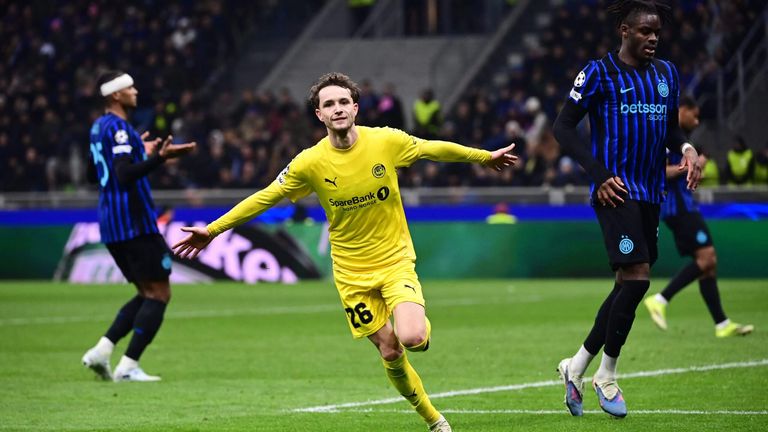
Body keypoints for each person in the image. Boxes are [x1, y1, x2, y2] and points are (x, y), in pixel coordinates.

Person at [172, 72, 517, 431]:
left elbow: (432, 148)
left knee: (412, 338)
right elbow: (265, 197)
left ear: (355, 107)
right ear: (319, 115)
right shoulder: (309, 163)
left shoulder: (385, 140)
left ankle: (416, 329)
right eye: (328, 104)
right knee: (390, 351)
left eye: (342, 102)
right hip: (351, 275)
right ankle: (434, 420)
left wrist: (483, 157)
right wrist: (212, 230)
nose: (336, 109)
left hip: (394, 260)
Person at [551, 0, 701, 418]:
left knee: (627, 283)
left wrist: (687, 149)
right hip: (615, 191)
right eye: (644, 31)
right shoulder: (597, 73)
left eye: (657, 32)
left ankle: (576, 366)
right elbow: (563, 127)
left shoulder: (667, 74)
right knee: (637, 280)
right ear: (624, 31)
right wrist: (599, 174)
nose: (653, 37)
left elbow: (671, 130)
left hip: (653, 192)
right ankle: (607, 374)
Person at [81, 70, 196, 382]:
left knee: (147, 291)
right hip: (134, 222)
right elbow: (122, 175)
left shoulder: (99, 127)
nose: (135, 90)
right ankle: (128, 366)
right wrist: (158, 158)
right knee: (159, 293)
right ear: (116, 95)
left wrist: (138, 151)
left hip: (112, 223)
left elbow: (93, 174)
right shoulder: (119, 128)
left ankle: (102, 352)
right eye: (129, 87)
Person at [643, 97, 753, 337]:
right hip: (678, 209)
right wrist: (690, 166)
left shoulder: (682, 141)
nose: (697, 120)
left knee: (708, 266)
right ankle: (660, 299)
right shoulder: (666, 136)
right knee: (707, 258)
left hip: (685, 206)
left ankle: (722, 324)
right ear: (681, 111)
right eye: (694, 114)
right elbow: (657, 171)